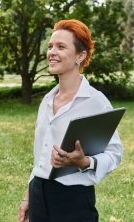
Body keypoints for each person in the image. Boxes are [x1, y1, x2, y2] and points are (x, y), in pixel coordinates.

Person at [18, 19, 123, 222]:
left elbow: (114, 154)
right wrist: (28, 197)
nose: (52, 52)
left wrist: (85, 162)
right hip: (39, 194)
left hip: (72, 202)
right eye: (50, 46)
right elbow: (41, 157)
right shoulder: (47, 100)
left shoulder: (95, 101)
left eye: (61, 47)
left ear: (80, 56)